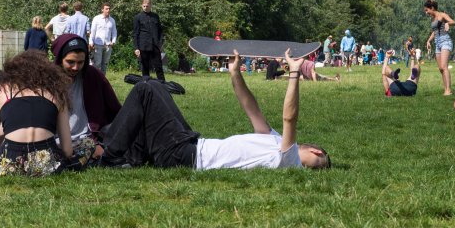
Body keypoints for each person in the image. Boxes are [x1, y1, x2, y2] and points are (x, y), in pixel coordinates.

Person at [98, 49, 331, 170]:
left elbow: (289, 118)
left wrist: (294, 73)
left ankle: (107, 155)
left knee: (146, 89)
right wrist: (235, 73)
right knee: (153, 90)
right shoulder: (275, 143)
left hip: (187, 156)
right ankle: (131, 154)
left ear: (316, 152)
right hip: (191, 146)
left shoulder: (288, 160)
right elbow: (251, 108)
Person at [0, 50, 73, 176]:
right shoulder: (57, 94)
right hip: (47, 164)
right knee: (87, 143)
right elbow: (67, 150)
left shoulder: (2, 91)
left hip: (8, 163)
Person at [52, 34, 121, 158]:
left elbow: (114, 108)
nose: (75, 67)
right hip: (56, 140)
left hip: (87, 138)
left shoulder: (93, 75)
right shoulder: (47, 80)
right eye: (70, 62)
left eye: (80, 62)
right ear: (60, 59)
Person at [424, 0, 455, 95]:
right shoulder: (433, 19)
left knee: (444, 66)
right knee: (440, 68)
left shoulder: (442, 15)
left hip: (445, 41)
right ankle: (445, 88)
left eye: (427, 10)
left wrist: (448, 24)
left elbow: (453, 22)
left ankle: (448, 90)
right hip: (437, 42)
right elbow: (434, 31)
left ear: (432, 8)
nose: (426, 12)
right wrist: (428, 41)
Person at [133, 0, 165, 81]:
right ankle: (146, 85)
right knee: (145, 67)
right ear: (141, 6)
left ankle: (162, 85)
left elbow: (160, 31)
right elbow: (135, 33)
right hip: (143, 45)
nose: (145, 7)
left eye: (147, 6)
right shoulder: (138, 17)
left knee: (158, 66)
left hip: (155, 45)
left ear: (151, 5)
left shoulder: (155, 16)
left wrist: (161, 43)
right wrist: (136, 48)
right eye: (144, 6)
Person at [89, 2, 117, 76]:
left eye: (109, 9)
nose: (108, 10)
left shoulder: (112, 20)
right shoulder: (97, 18)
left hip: (108, 45)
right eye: (106, 9)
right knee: (97, 63)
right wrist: (91, 42)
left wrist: (113, 42)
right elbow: (92, 32)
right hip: (98, 45)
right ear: (102, 10)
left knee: (105, 64)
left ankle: (103, 81)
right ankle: (95, 79)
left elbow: (114, 32)